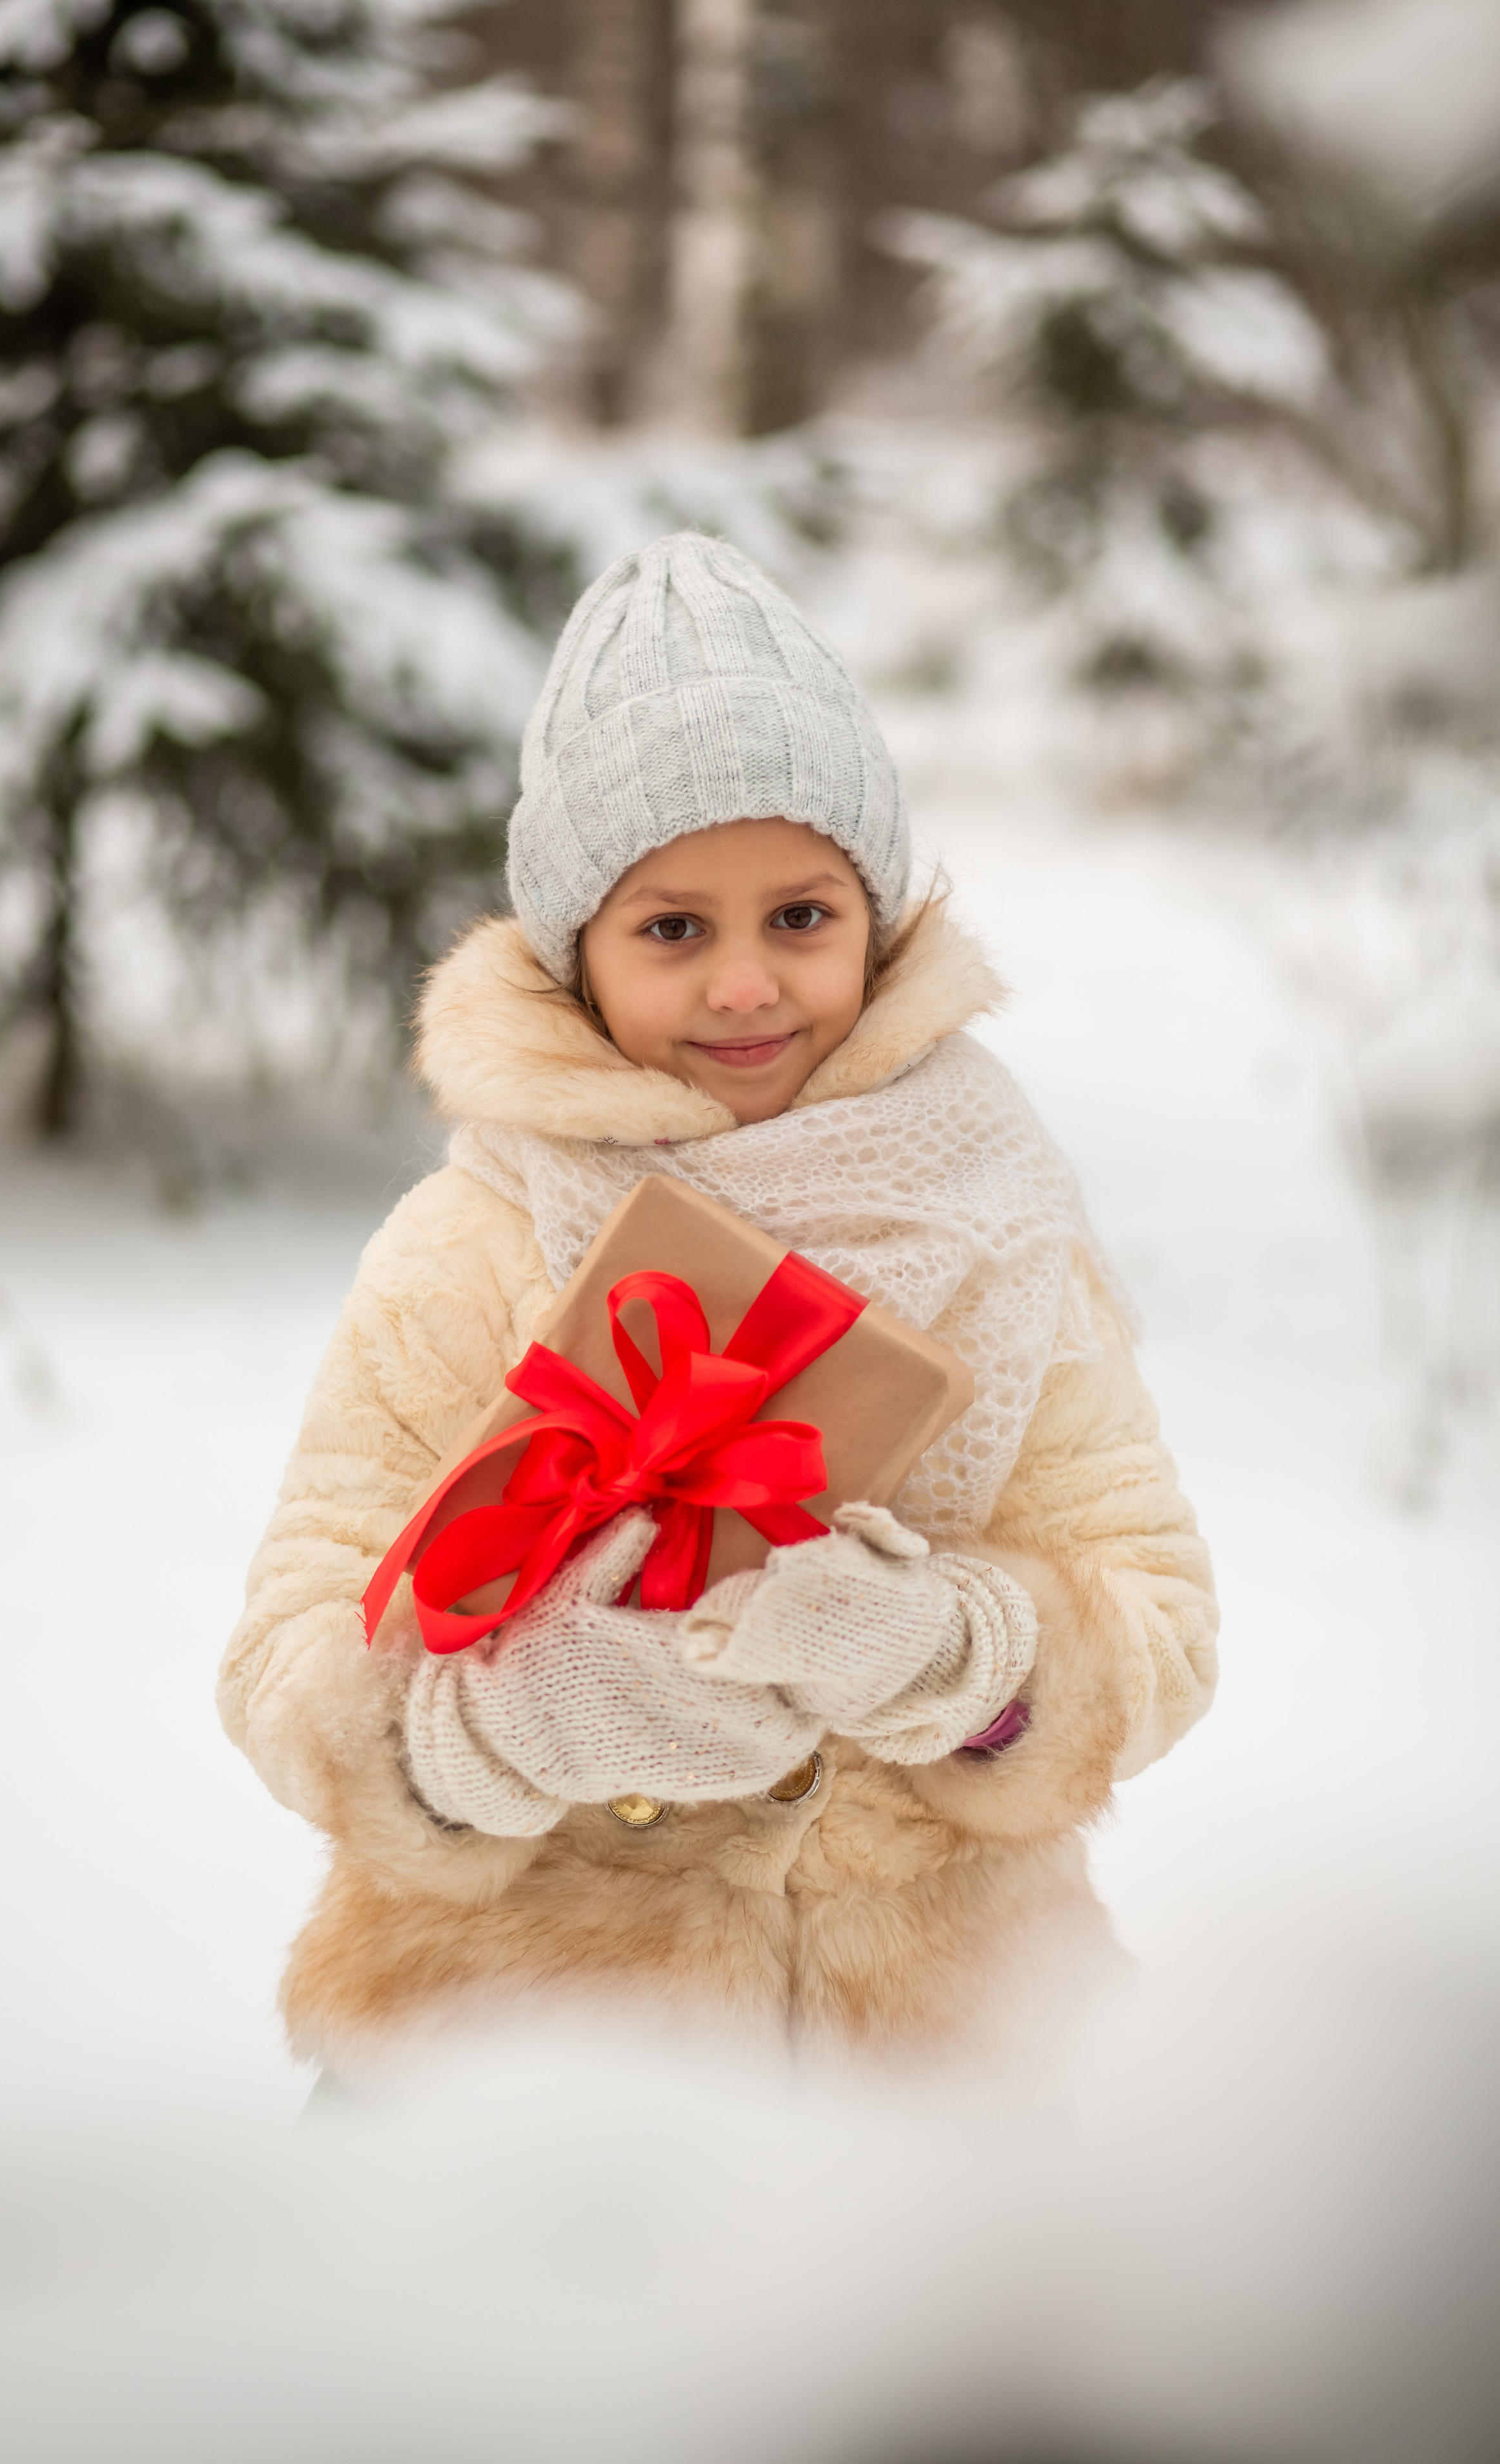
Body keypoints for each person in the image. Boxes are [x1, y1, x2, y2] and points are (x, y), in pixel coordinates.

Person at [219, 532, 1218, 2081]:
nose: (746, 985)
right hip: (529, 2076)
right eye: (673, 928)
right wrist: (502, 1727)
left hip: (931, 2087)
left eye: (800, 917)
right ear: (579, 952)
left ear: (873, 919)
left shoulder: (993, 1214)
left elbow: (1154, 1615)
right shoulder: (470, 1242)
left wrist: (956, 1658)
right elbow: (287, 1658)